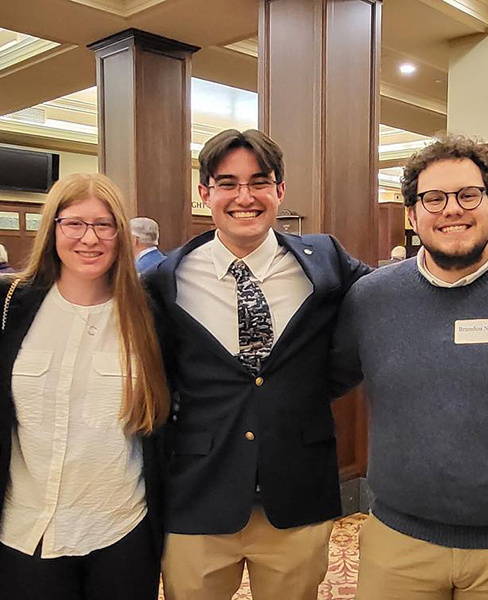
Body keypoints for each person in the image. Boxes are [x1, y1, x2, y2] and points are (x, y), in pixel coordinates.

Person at [333, 134, 488, 599]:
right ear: (413, 214)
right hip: (398, 541)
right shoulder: (372, 298)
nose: (451, 209)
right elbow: (323, 377)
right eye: (433, 198)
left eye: (468, 195)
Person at [144, 128, 370, 600]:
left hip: (298, 490)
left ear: (279, 191)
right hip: (198, 493)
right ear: (205, 194)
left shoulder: (325, 261)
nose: (243, 197)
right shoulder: (166, 278)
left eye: (259, 181)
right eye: (227, 183)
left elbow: (398, 294)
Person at [0, 173, 170, 600]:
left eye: (104, 225)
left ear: (121, 235)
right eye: (74, 224)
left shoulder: (149, 313)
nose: (90, 238)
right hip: (27, 530)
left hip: (121, 528)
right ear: (52, 229)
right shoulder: (8, 303)